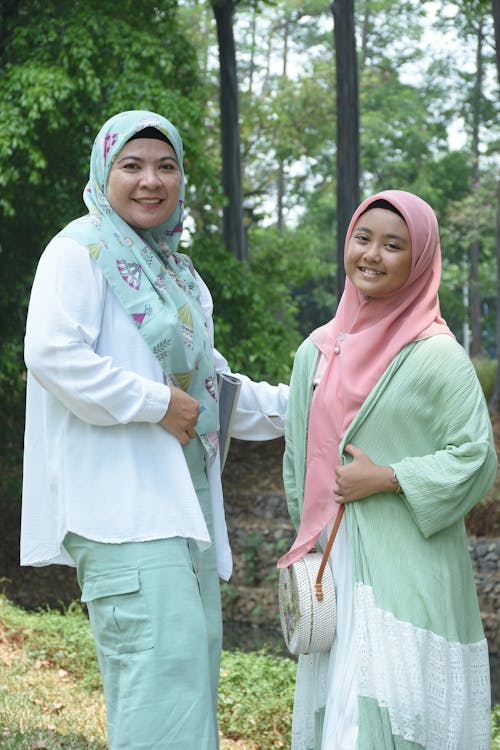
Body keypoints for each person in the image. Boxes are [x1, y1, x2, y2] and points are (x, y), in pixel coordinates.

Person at [21, 109, 288, 750]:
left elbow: (212, 394)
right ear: (102, 172)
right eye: (132, 165)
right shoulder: (78, 250)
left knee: (186, 685)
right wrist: (153, 404)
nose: (150, 180)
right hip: (122, 513)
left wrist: (313, 399)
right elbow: (53, 354)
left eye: (165, 166)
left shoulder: (178, 278)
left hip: (181, 511)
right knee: (158, 688)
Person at [277, 190, 497, 750]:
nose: (372, 255)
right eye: (363, 238)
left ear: (419, 258)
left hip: (408, 566)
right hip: (335, 559)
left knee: (392, 714)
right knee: (345, 715)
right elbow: (298, 461)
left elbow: (475, 456)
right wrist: (307, 541)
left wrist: (388, 477)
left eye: (393, 245)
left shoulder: (437, 355)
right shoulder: (317, 352)